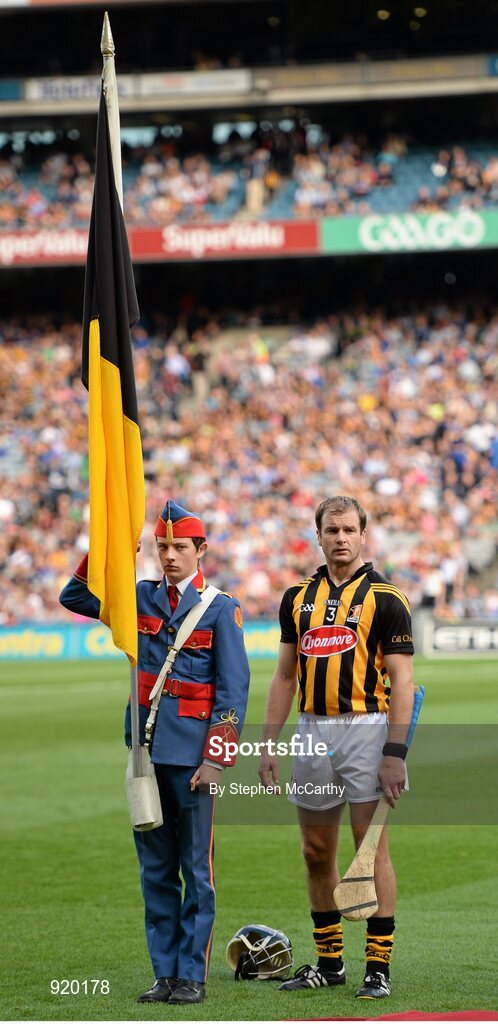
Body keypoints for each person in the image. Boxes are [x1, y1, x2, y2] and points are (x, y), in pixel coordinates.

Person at [60, 499, 250, 1006]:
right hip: (145, 756)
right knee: (156, 872)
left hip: (192, 763)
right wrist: (108, 550)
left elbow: (232, 693)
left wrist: (216, 760)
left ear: (201, 550)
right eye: (162, 547)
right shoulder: (138, 598)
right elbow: (74, 595)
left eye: (179, 547)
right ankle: (164, 974)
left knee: (197, 872)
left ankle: (193, 975)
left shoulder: (221, 609)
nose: (168, 556)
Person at [259, 495, 414, 1000]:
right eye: (333, 530)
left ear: (362, 535)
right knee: (315, 850)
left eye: (350, 529)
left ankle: (378, 966)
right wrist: (267, 743)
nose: (341, 537)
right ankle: (329, 962)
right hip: (311, 728)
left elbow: (403, 680)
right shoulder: (296, 598)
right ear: (319, 534)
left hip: (367, 728)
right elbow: (284, 675)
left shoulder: (387, 599)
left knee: (369, 850)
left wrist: (395, 752)